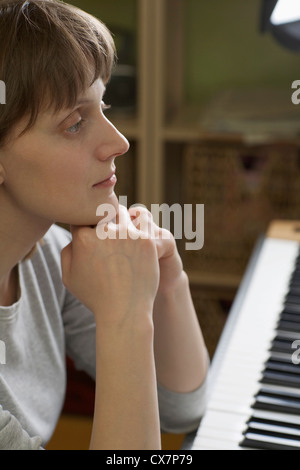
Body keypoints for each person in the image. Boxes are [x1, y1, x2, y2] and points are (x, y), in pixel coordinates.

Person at [0, 0, 209, 450]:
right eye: (75, 123)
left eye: (104, 106)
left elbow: (180, 408)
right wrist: (124, 317)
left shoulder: (46, 258)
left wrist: (168, 277)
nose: (118, 142)